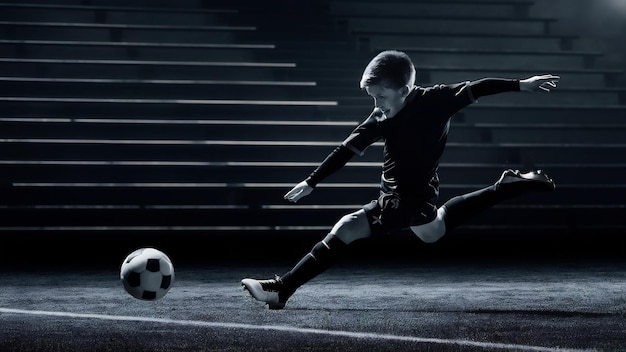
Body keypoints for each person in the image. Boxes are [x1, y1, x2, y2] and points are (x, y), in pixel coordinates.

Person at [242, 50, 559, 309]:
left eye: (379, 96)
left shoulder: (436, 100)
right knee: (432, 232)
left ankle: (282, 288)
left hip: (410, 198)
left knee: (347, 228)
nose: (375, 104)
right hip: (396, 195)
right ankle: (504, 187)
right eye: (371, 97)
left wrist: (521, 84)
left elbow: (480, 86)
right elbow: (346, 149)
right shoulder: (381, 115)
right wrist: (312, 181)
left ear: (404, 91)